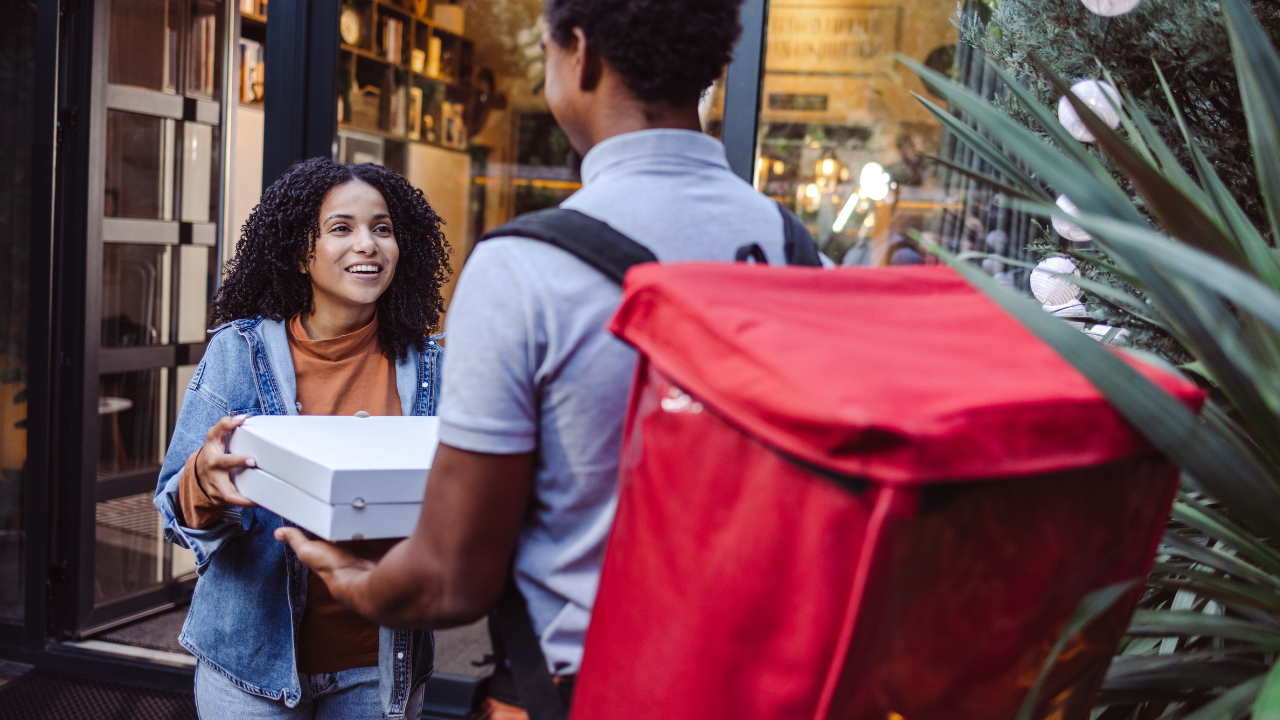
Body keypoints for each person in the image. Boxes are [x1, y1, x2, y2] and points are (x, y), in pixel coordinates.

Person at [276, 0, 796, 715]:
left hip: (585, 686)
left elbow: (451, 579)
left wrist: (354, 582)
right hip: (762, 680)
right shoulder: (798, 253)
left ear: (579, 54)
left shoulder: (524, 268)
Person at [153, 158, 451, 719]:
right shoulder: (237, 353)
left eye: (382, 228)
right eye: (342, 228)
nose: (368, 244)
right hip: (249, 665)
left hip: (380, 666)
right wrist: (206, 484)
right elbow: (174, 511)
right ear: (300, 252)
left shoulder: (434, 370)